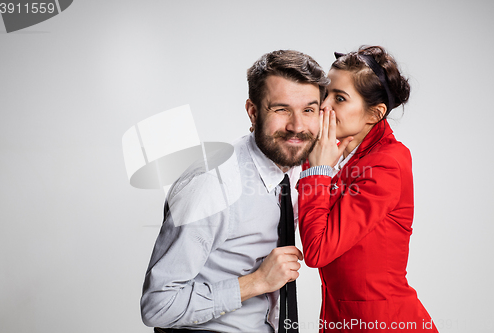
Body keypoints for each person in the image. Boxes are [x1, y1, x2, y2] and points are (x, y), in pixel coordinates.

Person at [141, 50, 329, 332]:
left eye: (308, 110)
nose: (297, 126)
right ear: (253, 112)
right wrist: (256, 282)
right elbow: (158, 306)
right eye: (281, 109)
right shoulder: (212, 185)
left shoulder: (296, 169)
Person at [297, 46, 438, 332]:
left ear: (375, 113)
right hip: (340, 320)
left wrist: (317, 171)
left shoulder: (388, 163)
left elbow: (317, 250)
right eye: (326, 94)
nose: (324, 107)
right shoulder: (337, 152)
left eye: (339, 98)